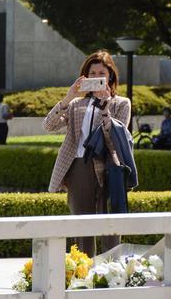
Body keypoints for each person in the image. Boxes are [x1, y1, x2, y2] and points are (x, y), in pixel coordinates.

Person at [44, 50, 132, 257]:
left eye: (101, 72)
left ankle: (112, 273)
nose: (96, 77)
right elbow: (49, 125)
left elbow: (115, 138)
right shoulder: (76, 104)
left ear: (110, 75)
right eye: (91, 73)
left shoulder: (121, 103)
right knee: (81, 224)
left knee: (110, 223)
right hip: (79, 166)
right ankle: (83, 274)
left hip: (110, 166)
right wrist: (68, 97)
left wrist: (105, 106)